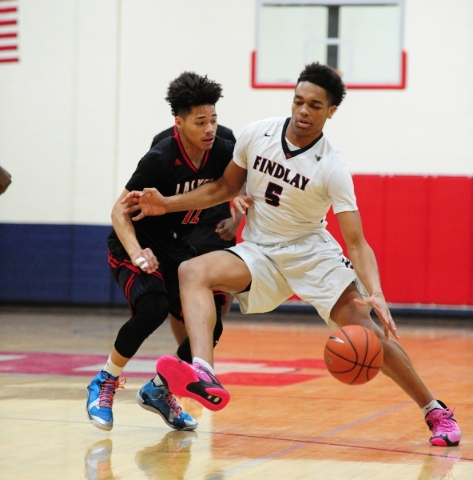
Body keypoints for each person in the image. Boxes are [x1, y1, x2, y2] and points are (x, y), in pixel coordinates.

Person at [122, 62, 462, 447]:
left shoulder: (332, 167)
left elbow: (357, 242)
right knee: (192, 271)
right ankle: (203, 370)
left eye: (315, 106)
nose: (303, 111)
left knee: (371, 339)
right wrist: (167, 204)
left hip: (311, 255)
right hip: (261, 252)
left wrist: (376, 291)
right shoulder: (256, 134)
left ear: (330, 111)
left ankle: (435, 411)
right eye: (299, 101)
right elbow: (223, 189)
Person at [86, 71, 235, 432]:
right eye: (200, 122)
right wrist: (137, 253)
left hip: (173, 241)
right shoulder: (161, 157)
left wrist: (239, 200)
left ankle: (159, 390)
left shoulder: (223, 151)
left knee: (210, 319)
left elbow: (230, 186)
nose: (209, 128)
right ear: (179, 122)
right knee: (152, 306)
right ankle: (105, 380)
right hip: (134, 239)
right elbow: (119, 211)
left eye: (213, 119)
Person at [150, 125, 241, 346]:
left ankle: (197, 360)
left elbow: (243, 179)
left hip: (216, 229)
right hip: (178, 233)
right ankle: (191, 362)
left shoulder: (225, 138)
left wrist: (236, 219)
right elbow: (152, 192)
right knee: (180, 302)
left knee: (219, 306)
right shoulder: (163, 141)